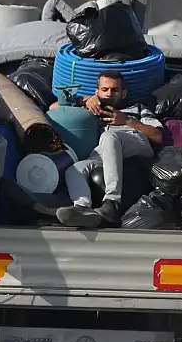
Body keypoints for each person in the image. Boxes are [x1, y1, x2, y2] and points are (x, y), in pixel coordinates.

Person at [54, 71, 163, 228]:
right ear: (97, 92)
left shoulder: (137, 108)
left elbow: (157, 136)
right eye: (104, 90)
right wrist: (85, 100)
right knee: (75, 169)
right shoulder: (93, 108)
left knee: (109, 136)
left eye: (115, 90)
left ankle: (112, 203)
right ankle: (82, 208)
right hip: (105, 149)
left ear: (123, 93)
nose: (109, 94)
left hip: (135, 141)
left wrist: (127, 120)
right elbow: (54, 107)